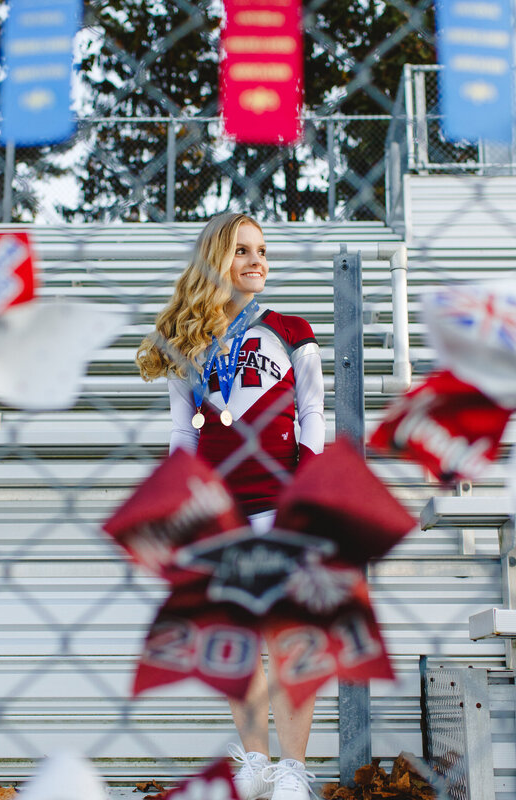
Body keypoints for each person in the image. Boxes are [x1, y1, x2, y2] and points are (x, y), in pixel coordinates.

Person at [137, 212, 326, 800]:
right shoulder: (188, 342)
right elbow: (182, 435)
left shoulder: (292, 329)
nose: (256, 261)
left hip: (279, 500)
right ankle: (255, 761)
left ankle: (294, 769)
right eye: (241, 251)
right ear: (216, 259)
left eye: (262, 250)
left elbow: (314, 413)